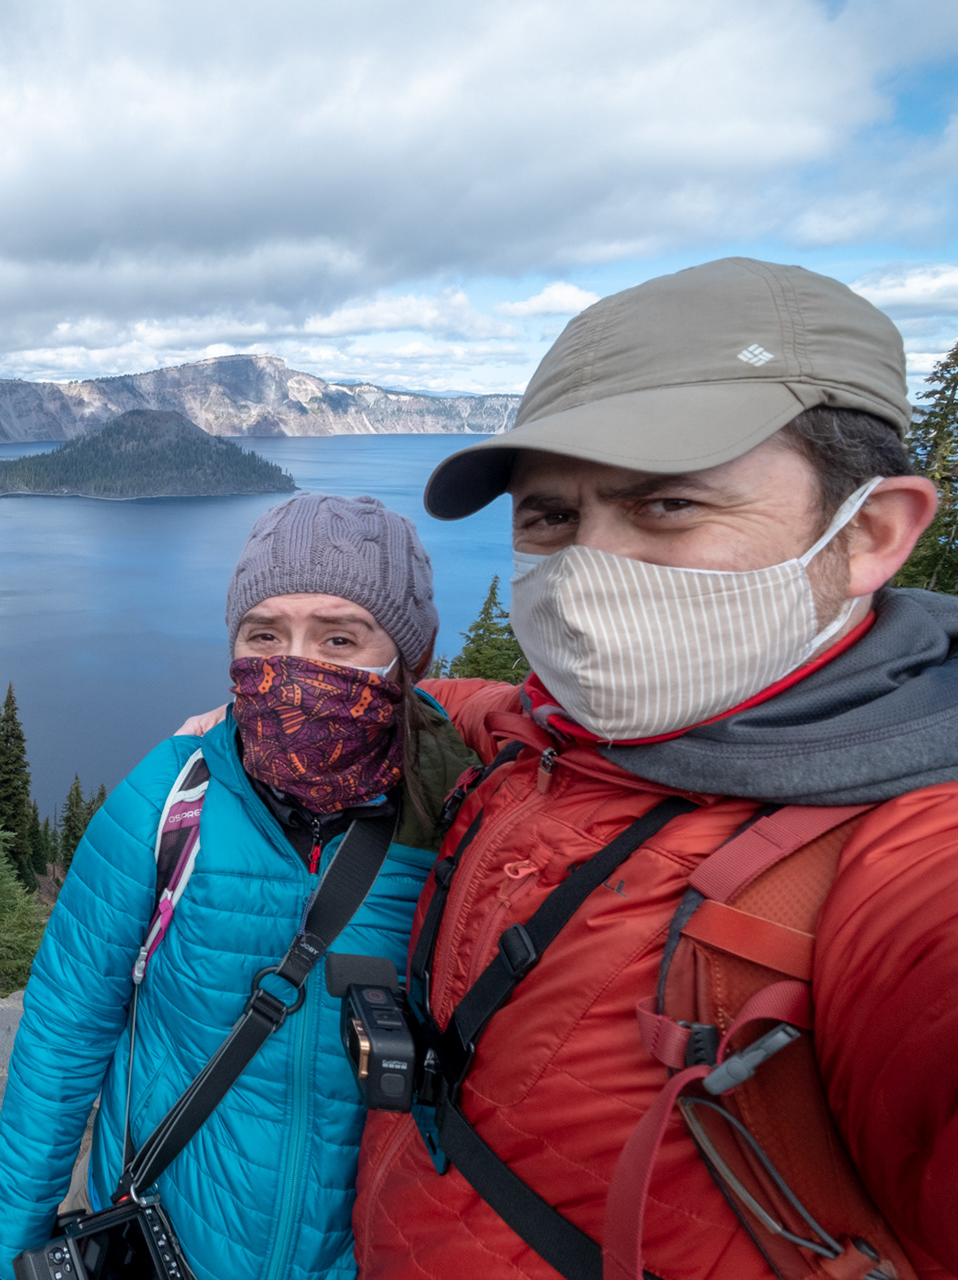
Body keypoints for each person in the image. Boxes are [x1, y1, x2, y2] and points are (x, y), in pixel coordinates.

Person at [184, 258, 958, 1277]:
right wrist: (328, 694)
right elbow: (487, 706)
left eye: (668, 503)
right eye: (551, 517)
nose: (591, 571)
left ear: (867, 533)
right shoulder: (560, 736)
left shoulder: (908, 866)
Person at [0, 493, 480, 1280]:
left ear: (408, 657)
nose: (294, 669)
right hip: (165, 1234)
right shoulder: (170, 800)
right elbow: (64, 1027)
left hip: (364, 1255)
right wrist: (11, 1245)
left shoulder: (465, 823)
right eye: (264, 635)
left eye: (339, 638)